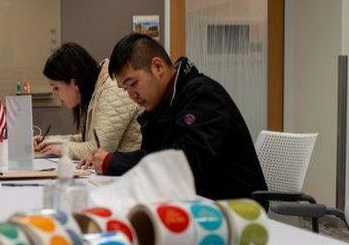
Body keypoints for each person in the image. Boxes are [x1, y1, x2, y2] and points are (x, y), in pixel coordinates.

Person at [81, 33, 267, 201]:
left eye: (133, 84)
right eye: (125, 89)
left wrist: (113, 162)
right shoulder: (160, 105)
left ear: (158, 67)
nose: (131, 95)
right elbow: (154, 160)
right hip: (193, 202)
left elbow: (183, 161)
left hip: (236, 211)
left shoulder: (203, 95)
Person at [33, 42, 141, 160]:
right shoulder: (96, 89)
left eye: (56, 88)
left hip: (130, 174)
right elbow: (88, 139)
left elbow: (99, 148)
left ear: (74, 83)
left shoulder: (112, 92)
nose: (55, 95)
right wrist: (49, 142)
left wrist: (61, 149)